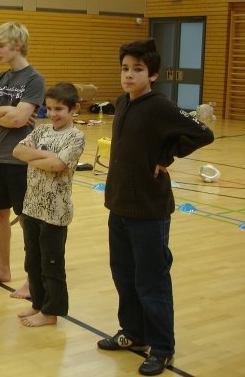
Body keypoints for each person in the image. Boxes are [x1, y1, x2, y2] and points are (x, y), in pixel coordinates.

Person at [97, 40, 214, 376]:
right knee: (124, 276)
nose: (129, 75)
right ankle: (133, 332)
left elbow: (202, 133)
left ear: (152, 75)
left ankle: (162, 348)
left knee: (152, 282)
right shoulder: (122, 102)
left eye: (137, 69)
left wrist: (166, 157)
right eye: (125, 68)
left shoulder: (160, 106)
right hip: (119, 206)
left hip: (149, 212)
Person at [0, 22, 45, 287]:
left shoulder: (34, 79)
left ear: (17, 45)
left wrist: (1, 113)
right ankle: (3, 268)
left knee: (27, 219)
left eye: (0, 46)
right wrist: (9, 111)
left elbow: (19, 120)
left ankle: (33, 278)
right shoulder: (0, 78)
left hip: (20, 160)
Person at [12, 82, 85, 327]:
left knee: (51, 264)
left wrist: (36, 157)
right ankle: (38, 304)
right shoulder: (41, 130)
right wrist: (47, 156)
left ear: (74, 109)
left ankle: (51, 312)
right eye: (50, 108)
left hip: (56, 212)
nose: (53, 113)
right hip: (32, 206)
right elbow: (17, 151)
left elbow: (58, 166)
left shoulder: (76, 136)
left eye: (59, 109)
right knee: (32, 260)